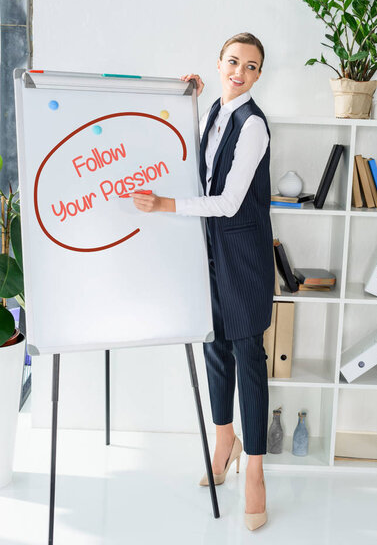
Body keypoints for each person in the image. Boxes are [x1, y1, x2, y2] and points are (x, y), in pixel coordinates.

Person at [132, 32, 274, 531]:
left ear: (259, 74)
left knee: (249, 359)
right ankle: (223, 440)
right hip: (208, 253)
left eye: (250, 66)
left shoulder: (253, 126)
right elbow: (191, 165)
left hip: (245, 259)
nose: (240, 72)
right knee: (214, 346)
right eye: (233, 62)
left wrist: (166, 205)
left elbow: (229, 202)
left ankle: (254, 468)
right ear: (219, 64)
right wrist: (186, 100)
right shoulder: (214, 111)